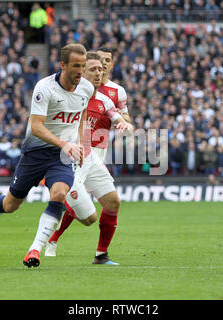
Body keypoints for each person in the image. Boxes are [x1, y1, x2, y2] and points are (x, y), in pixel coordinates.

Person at [0, 43, 92, 269]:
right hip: (35, 153)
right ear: (63, 65)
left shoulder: (85, 88)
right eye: (76, 66)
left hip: (61, 155)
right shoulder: (44, 87)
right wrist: (65, 143)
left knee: (59, 193)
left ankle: (35, 249)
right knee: (11, 205)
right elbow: (36, 126)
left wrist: (80, 143)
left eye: (83, 66)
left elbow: (82, 112)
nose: (80, 71)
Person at [44, 52, 133, 265]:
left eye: (102, 67)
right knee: (77, 208)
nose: (99, 71)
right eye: (94, 68)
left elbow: (125, 121)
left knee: (111, 202)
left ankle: (101, 255)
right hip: (72, 155)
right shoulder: (68, 93)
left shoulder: (110, 96)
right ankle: (44, 241)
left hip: (94, 154)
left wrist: (125, 126)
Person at [94, 47, 131, 163]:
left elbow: (126, 120)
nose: (104, 62)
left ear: (112, 65)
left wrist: (119, 118)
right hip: (79, 142)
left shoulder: (118, 90)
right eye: (100, 59)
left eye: (107, 60)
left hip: (101, 145)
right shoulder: (82, 86)